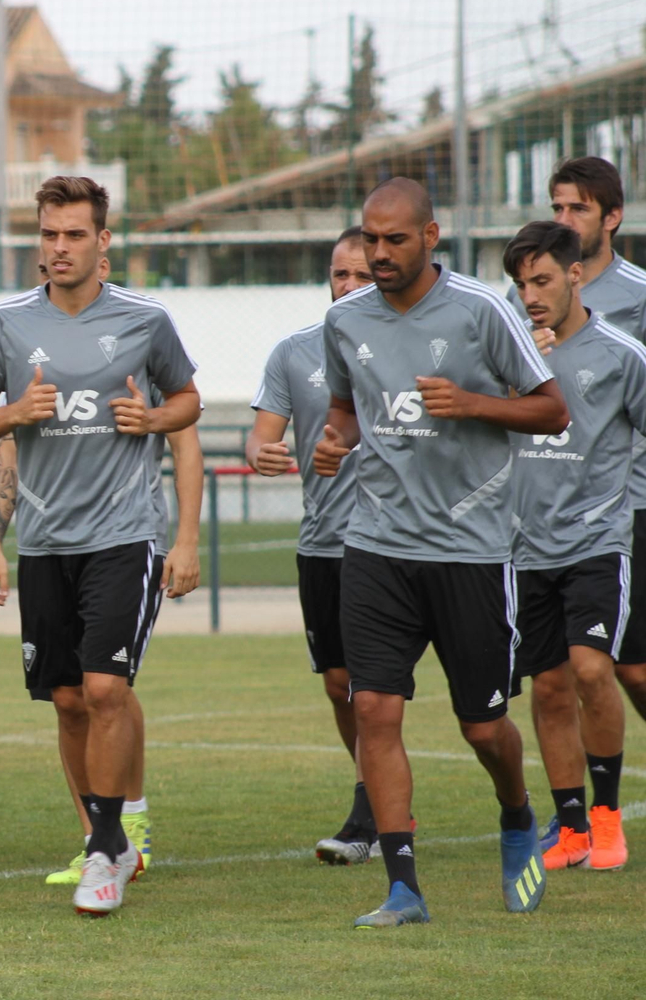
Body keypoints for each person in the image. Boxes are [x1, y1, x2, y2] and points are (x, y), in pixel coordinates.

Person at [314, 177, 568, 927]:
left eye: (395, 239)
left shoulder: (482, 311)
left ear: (432, 236)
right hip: (376, 547)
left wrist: (474, 403)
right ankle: (402, 887)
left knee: (483, 727)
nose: (379, 253)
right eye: (369, 239)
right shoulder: (344, 319)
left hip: (471, 551)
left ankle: (517, 813)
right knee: (376, 710)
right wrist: (336, 441)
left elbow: (553, 408)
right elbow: (344, 406)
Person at [0, 176, 201, 915]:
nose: (58, 248)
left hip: (124, 533)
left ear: (103, 240)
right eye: (48, 234)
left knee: (104, 688)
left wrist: (152, 420)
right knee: (67, 700)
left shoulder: (144, 319)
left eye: (73, 234)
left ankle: (105, 849)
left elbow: (186, 398)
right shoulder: (6, 325)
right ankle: (107, 837)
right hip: (47, 540)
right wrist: (12, 414)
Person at [505, 220, 644, 873]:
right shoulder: (508, 351)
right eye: (521, 283)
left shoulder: (621, 354)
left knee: (593, 669)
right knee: (550, 688)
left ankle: (608, 816)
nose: (531, 295)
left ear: (574, 275)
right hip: (527, 548)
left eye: (542, 280)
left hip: (597, 538)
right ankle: (568, 826)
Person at [246, 226, 370, 864]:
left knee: (459, 703)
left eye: (362, 276)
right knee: (340, 683)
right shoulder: (295, 352)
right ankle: (370, 798)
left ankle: (372, 813)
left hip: (401, 544)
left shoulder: (408, 345)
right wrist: (263, 452)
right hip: (323, 545)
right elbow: (261, 435)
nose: (347, 286)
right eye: (339, 274)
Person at [544, 158, 646, 833]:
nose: (564, 221)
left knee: (630, 668)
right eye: (557, 207)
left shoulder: (638, 296)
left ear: (611, 217)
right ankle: (577, 818)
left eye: (578, 209)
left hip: (627, 507)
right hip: (550, 514)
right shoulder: (533, 294)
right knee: (571, 673)